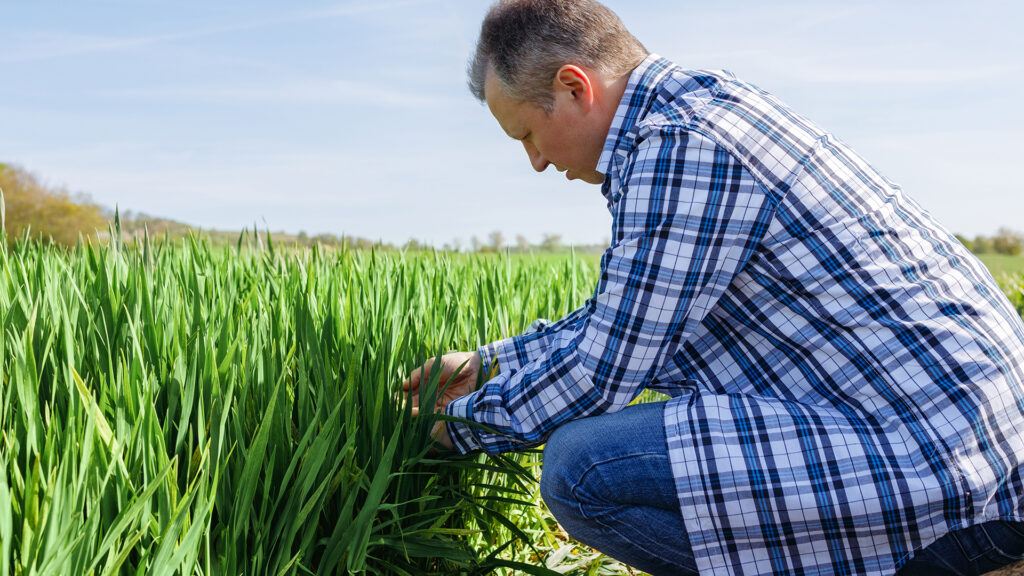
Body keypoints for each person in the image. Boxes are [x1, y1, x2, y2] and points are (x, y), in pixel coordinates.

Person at [401, 1, 1024, 574]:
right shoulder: (701, 110)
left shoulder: (682, 149)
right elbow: (621, 320)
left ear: (573, 87)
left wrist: (457, 426)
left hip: (950, 468)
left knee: (582, 468)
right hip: (963, 438)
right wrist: (489, 365)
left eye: (528, 135)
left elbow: (605, 370)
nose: (535, 161)